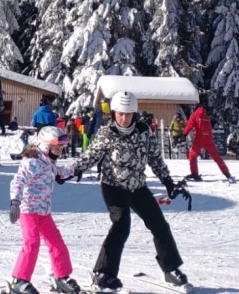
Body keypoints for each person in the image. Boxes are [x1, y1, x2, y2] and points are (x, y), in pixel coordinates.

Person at [71, 91, 188, 290]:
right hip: (113, 186)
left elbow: (155, 159)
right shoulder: (107, 133)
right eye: (120, 114)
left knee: (159, 224)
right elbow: (91, 155)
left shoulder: (144, 132)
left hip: (138, 186)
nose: (124, 118)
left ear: (134, 113)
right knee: (121, 225)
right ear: (114, 113)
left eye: (128, 114)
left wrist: (168, 182)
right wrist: (75, 169)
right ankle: (103, 273)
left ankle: (171, 269)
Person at [6, 127, 81, 294]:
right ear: (46, 147)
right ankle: (19, 281)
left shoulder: (47, 160)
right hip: (28, 210)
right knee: (31, 243)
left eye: (61, 149)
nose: (60, 152)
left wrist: (74, 171)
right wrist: (15, 202)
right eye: (56, 149)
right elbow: (18, 180)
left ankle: (61, 277)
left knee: (56, 243)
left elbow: (58, 171)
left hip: (43, 211)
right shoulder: (32, 161)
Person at [183, 106, 235, 183]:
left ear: (195, 109)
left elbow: (190, 125)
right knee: (217, 157)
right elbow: (210, 128)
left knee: (192, 156)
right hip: (209, 139)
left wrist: (184, 134)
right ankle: (227, 174)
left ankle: (194, 173)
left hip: (199, 138)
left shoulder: (194, 115)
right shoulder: (206, 117)